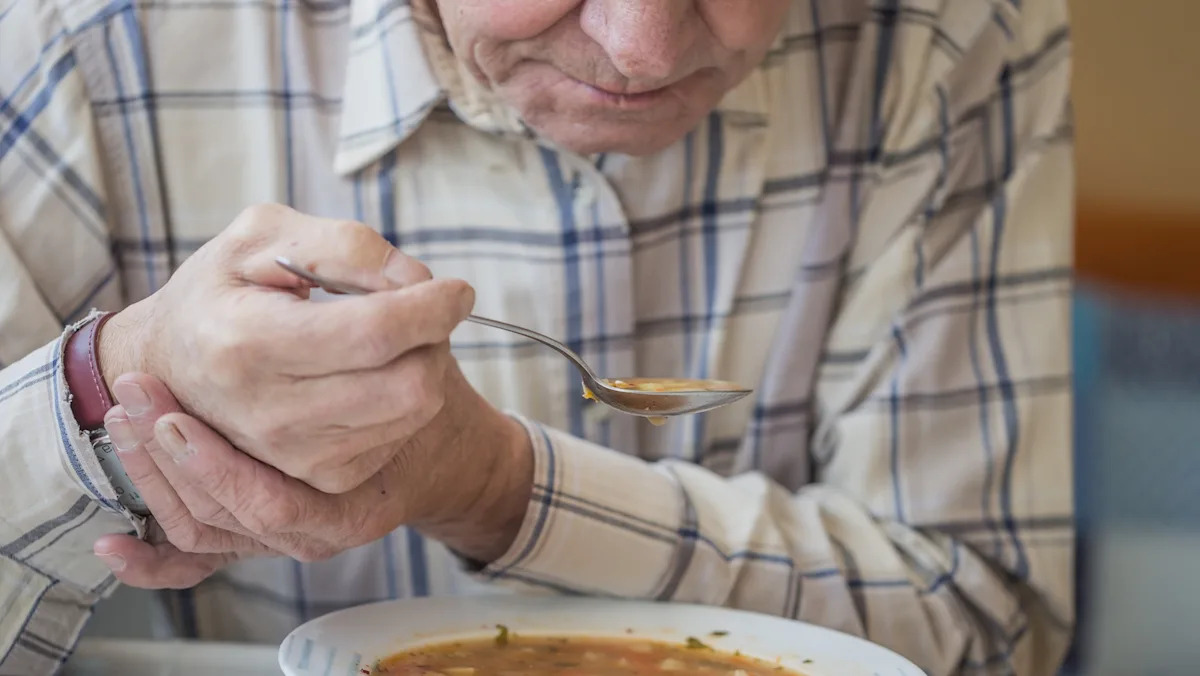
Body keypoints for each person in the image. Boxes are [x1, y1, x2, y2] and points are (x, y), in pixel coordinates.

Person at [0, 0, 1074, 673]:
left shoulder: (948, 37)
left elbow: (989, 628)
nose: (640, 47)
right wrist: (108, 383)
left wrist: (494, 484)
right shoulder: (81, 39)